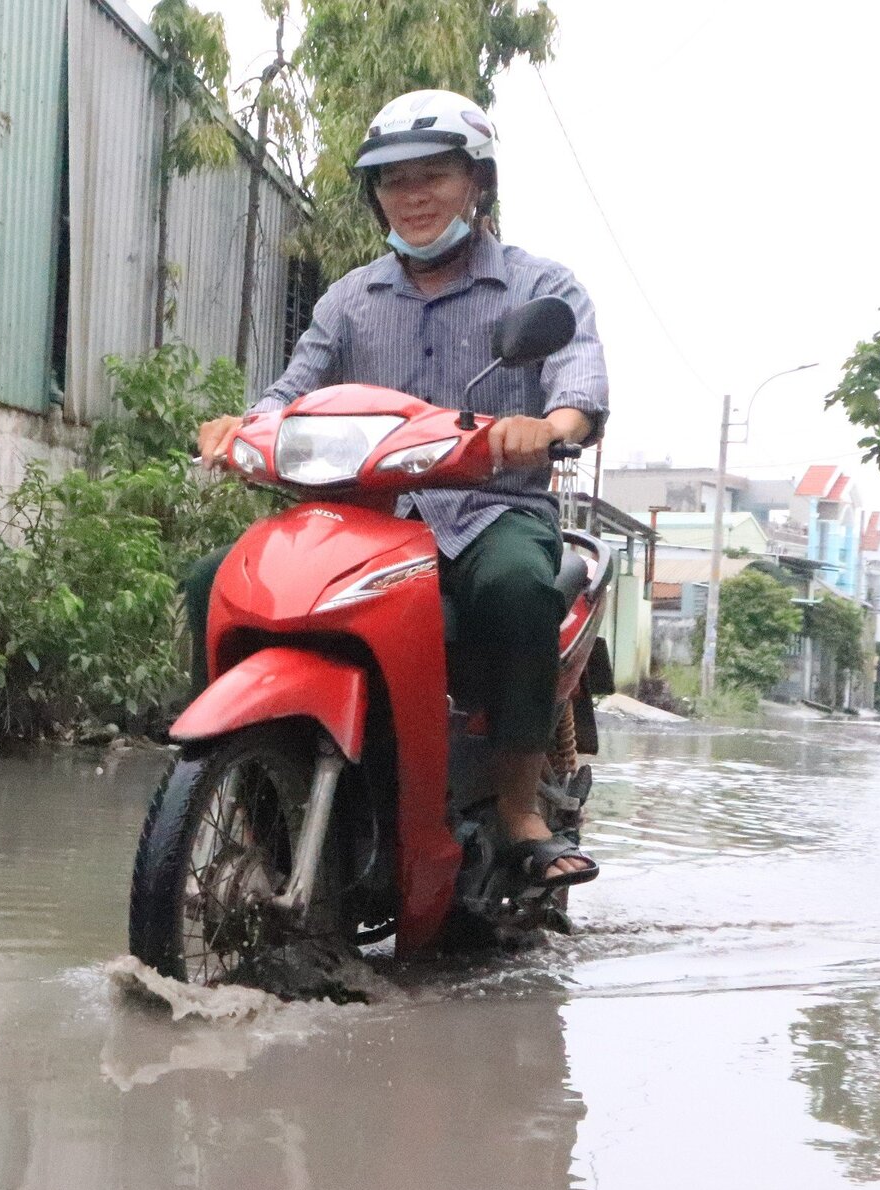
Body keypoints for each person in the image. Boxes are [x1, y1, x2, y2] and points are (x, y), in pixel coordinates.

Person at [187, 89, 608, 888]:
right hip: (364, 520)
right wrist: (238, 428)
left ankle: (520, 811)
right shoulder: (350, 298)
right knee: (214, 583)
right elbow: (291, 391)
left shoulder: (540, 287)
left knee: (520, 590)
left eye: (433, 177)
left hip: (489, 512)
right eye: (392, 181)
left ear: (476, 182)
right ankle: (246, 790)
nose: (412, 197)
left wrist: (548, 427)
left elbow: (578, 386)